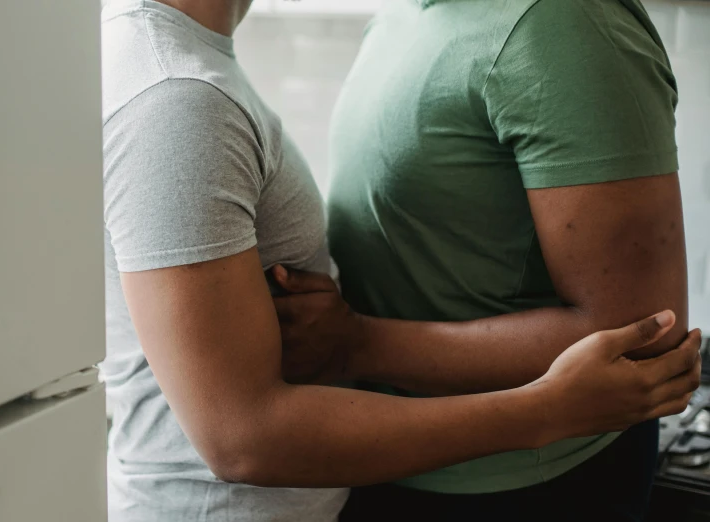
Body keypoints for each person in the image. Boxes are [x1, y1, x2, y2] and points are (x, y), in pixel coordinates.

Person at [100, 0, 702, 521]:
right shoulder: (178, 89)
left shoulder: (564, 23)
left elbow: (638, 334)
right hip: (386, 474)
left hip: (527, 488)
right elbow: (241, 436)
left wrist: (361, 343)